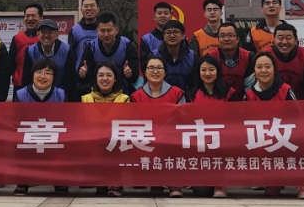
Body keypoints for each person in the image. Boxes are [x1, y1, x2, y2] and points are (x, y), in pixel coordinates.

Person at [244, 51, 304, 200]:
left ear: (274, 69)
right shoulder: (249, 94)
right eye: (259, 67)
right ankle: (274, 181)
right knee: (271, 192)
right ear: (254, 71)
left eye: (268, 66)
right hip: (262, 139)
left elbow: (299, 118)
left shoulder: (286, 90)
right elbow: (244, 122)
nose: (263, 70)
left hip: (286, 136)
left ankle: (302, 184)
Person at [13, 57, 69, 196]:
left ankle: (59, 180)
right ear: (32, 74)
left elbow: (67, 121)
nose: (42, 76)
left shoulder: (61, 95)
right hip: (28, 135)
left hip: (53, 135)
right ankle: (23, 180)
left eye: (48, 73)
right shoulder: (20, 94)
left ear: (54, 77)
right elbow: (14, 121)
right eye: (39, 72)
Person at [132, 56, 185, 197]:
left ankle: (173, 182)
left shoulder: (177, 93)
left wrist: (163, 132)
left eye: (159, 68)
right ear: (144, 72)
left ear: (165, 72)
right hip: (146, 138)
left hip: (170, 138)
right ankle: (155, 181)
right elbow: (135, 122)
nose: (155, 71)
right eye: (151, 68)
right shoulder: (136, 96)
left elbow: (182, 119)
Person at [184, 53, 233, 199]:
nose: (207, 73)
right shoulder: (191, 95)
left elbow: (235, 121)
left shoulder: (229, 93)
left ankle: (220, 182)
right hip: (200, 145)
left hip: (222, 144)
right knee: (202, 192)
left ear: (217, 71)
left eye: (211, 69)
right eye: (203, 70)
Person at [81, 61, 130, 197]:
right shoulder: (85, 99)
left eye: (109, 75)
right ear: (96, 78)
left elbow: (125, 126)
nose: (104, 79)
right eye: (101, 75)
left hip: (115, 143)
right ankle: (100, 180)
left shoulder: (125, 99)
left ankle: (115, 182)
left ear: (115, 79)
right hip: (92, 143)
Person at [79, 13, 140, 97]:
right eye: (102, 30)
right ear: (97, 31)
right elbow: (86, 77)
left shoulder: (127, 45)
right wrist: (83, 74)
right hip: (97, 96)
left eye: (109, 30)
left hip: (122, 95)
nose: (106, 34)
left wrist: (130, 74)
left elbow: (134, 76)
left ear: (116, 30)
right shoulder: (91, 47)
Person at [22, 19, 74, 94]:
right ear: (37, 34)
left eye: (50, 32)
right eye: (43, 32)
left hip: (60, 94)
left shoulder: (66, 49)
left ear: (56, 35)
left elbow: (70, 79)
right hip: (36, 94)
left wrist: (65, 98)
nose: (46, 35)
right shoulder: (30, 51)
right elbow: (27, 79)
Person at [268, 22, 304, 100]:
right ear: (274, 39)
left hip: (300, 102)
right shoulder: (266, 56)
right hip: (274, 102)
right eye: (280, 38)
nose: (284, 42)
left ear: (295, 40)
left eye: (288, 38)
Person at [204, 22, 252, 101]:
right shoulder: (210, 57)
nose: (226, 39)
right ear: (218, 39)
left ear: (237, 39)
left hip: (242, 103)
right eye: (222, 36)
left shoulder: (248, 57)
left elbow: (249, 88)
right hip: (218, 101)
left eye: (230, 35)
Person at [8, 3, 44, 94]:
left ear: (41, 18)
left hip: (41, 84)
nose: (30, 19)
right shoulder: (17, 38)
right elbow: (11, 63)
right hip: (20, 85)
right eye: (27, 16)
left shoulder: (45, 38)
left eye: (33, 16)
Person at [155, 20, 197, 90]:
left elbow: (195, 83)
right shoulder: (155, 56)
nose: (172, 35)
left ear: (182, 35)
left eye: (176, 32)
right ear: (163, 36)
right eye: (168, 32)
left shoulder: (192, 56)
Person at [68, 0, 101, 74]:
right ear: (81, 10)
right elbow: (70, 56)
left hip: (101, 74)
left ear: (98, 9)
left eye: (92, 5)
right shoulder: (74, 30)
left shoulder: (104, 29)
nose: (89, 8)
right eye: (86, 6)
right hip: (80, 74)